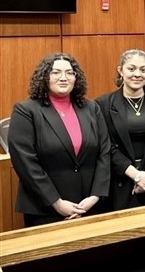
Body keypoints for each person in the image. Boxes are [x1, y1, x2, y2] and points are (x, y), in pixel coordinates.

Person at [8, 53, 110, 226]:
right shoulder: (26, 111)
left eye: (70, 73)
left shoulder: (92, 108)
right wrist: (56, 202)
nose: (63, 78)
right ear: (44, 76)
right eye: (55, 72)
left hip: (90, 206)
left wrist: (95, 196)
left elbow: (104, 152)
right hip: (45, 209)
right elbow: (26, 163)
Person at [96, 49, 145, 211]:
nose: (137, 74)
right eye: (131, 69)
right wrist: (136, 176)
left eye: (143, 70)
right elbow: (105, 145)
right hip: (120, 182)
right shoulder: (103, 104)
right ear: (120, 71)